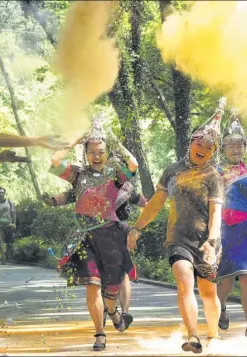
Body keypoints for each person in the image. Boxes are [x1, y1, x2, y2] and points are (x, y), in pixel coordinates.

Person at [127, 100, 226, 354]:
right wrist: (137, 227)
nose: (202, 148)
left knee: (207, 292)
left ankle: (213, 334)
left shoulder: (213, 177)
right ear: (191, 143)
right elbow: (156, 203)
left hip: (206, 240)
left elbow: (216, 213)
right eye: (199, 143)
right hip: (178, 238)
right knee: (183, 279)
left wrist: (212, 240)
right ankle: (193, 336)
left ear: (213, 151)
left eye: (208, 146)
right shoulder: (172, 171)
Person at [48, 122, 138, 351]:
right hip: (83, 237)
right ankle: (100, 333)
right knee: (92, 286)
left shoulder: (115, 176)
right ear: (85, 154)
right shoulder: (78, 175)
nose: (96, 156)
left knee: (111, 291)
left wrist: (115, 140)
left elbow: (133, 165)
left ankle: (113, 311)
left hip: (111, 239)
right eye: (92, 152)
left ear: (108, 153)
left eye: (101, 152)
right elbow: (56, 162)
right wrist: (76, 138)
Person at [42, 186, 147, 324]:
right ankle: (105, 310)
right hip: (92, 234)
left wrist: (152, 207)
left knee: (122, 270)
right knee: (98, 273)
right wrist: (53, 201)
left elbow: (144, 202)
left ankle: (124, 313)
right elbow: (72, 194)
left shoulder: (123, 184)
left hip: (119, 233)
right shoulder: (89, 183)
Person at [217, 113, 247, 337]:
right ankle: (221, 308)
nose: (236, 151)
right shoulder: (214, 172)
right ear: (223, 149)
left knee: (246, 276)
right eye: (232, 147)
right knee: (226, 279)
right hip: (226, 231)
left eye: (240, 146)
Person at [0, 187, 16, 260]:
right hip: (0, 225)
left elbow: (13, 213)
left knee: (9, 242)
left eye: (2, 192)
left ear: (4, 193)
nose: (1, 194)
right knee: (1, 242)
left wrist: (14, 223)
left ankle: (9, 256)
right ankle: (3, 257)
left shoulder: (9, 202)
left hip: (8, 224)